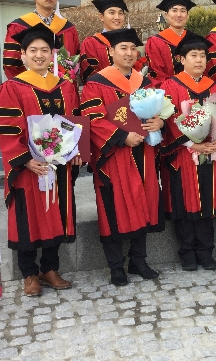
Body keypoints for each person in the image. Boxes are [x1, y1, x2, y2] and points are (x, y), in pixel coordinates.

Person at [0, 24, 81, 296]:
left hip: (59, 166)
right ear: (23, 55)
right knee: (28, 217)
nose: (39, 55)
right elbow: (7, 127)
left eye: (45, 50)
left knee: (55, 213)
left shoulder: (65, 86)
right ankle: (29, 273)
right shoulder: (12, 87)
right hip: (29, 169)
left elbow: (74, 122)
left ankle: (49, 268)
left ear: (52, 54)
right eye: (33, 50)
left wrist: (76, 150)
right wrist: (25, 160)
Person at [80, 28, 163, 286]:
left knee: (143, 203)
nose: (129, 53)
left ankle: (139, 260)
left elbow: (158, 111)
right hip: (114, 156)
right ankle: (116, 266)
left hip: (144, 152)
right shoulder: (96, 83)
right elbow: (92, 118)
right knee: (113, 207)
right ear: (110, 52)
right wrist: (121, 136)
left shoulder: (144, 82)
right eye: (123, 48)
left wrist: (159, 121)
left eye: (132, 49)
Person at [161, 34, 216, 271]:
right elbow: (169, 121)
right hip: (183, 155)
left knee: (207, 201)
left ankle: (206, 251)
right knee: (184, 202)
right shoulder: (170, 86)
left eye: (203, 56)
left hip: (210, 154)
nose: (199, 60)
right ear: (182, 59)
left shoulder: (215, 87)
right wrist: (191, 144)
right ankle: (187, 252)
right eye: (194, 55)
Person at [3, 0, 80, 80]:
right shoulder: (18, 27)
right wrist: (28, 84)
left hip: (63, 87)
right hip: (29, 86)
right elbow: (11, 64)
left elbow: (75, 62)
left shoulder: (69, 28)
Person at [146, 0, 197, 87]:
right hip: (168, 92)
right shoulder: (156, 42)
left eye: (183, 11)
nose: (179, 15)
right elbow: (158, 76)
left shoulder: (194, 39)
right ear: (166, 15)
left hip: (195, 90)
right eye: (174, 10)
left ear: (187, 15)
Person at [80, 0, 129, 83]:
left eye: (120, 13)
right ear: (101, 17)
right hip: (103, 90)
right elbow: (90, 75)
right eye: (112, 13)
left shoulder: (130, 42)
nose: (117, 17)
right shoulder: (91, 43)